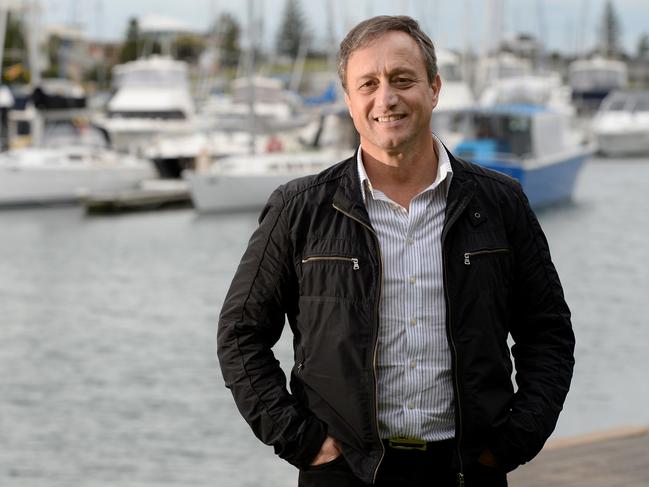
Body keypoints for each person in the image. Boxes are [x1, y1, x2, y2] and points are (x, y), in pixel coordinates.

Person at [217, 15, 574, 487]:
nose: (386, 98)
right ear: (349, 100)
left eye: (403, 80)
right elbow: (240, 334)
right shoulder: (299, 208)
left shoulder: (500, 203)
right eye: (368, 84)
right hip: (345, 473)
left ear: (434, 88)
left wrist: (514, 441)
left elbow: (547, 332)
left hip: (467, 471)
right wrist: (300, 441)